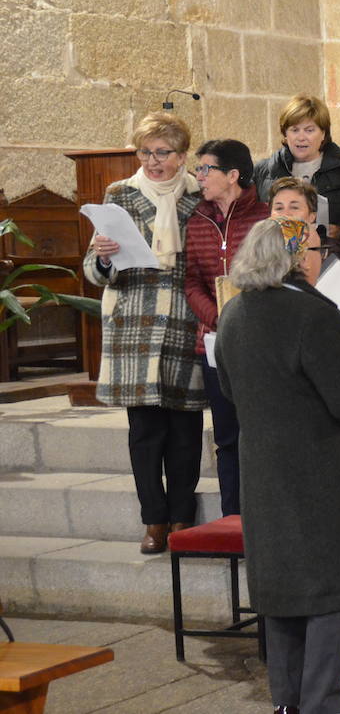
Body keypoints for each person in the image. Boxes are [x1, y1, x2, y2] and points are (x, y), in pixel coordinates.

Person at [214, 217, 340, 714]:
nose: (322, 256)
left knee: (282, 596)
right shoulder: (312, 315)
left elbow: (231, 391)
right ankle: (321, 704)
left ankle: (287, 704)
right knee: (328, 597)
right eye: (318, 248)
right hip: (321, 480)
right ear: (298, 257)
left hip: (265, 477)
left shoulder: (233, 314)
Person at [83, 113, 205, 554]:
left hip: (185, 320)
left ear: (182, 156)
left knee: (186, 431)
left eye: (163, 153)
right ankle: (154, 521)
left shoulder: (199, 197)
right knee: (145, 432)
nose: (153, 161)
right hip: (134, 323)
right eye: (146, 152)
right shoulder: (120, 195)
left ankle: (183, 518)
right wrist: (104, 257)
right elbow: (93, 271)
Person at [184, 139, 270, 518]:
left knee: (263, 436)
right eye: (198, 169)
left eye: (206, 169)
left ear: (233, 175)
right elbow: (190, 282)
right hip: (215, 344)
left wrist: (242, 319)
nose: (199, 176)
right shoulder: (197, 220)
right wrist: (219, 318)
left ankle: (266, 519)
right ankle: (234, 520)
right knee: (227, 438)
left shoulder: (265, 217)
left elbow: (274, 277)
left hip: (260, 344)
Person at [253, 94, 340, 238]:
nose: (301, 137)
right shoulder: (266, 170)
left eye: (309, 130)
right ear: (285, 134)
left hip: (328, 253)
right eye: (295, 130)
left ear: (323, 134)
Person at [268, 176, 340, 268]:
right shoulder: (259, 246)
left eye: (294, 207)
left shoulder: (328, 250)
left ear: (311, 217)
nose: (286, 214)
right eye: (279, 208)